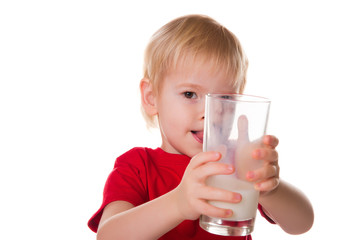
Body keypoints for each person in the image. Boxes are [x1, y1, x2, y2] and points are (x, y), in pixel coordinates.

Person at [88, 14, 314, 240]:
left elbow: (301, 224)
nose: (209, 112)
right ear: (151, 97)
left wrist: (270, 189)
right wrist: (179, 203)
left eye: (223, 99)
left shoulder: (235, 161)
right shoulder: (137, 167)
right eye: (190, 94)